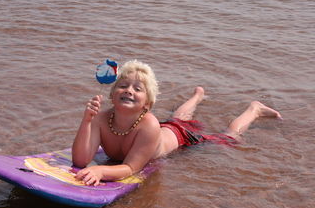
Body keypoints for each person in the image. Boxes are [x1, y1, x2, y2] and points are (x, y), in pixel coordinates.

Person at [72, 60, 282, 186]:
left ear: (148, 103)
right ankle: (197, 96)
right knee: (177, 119)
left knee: (229, 137)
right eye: (123, 86)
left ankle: (254, 109)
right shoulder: (100, 118)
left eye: (138, 89)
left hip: (181, 138)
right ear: (112, 94)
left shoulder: (148, 124)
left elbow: (130, 168)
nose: (129, 90)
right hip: (167, 129)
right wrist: (86, 121)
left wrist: (101, 171)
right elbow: (81, 160)